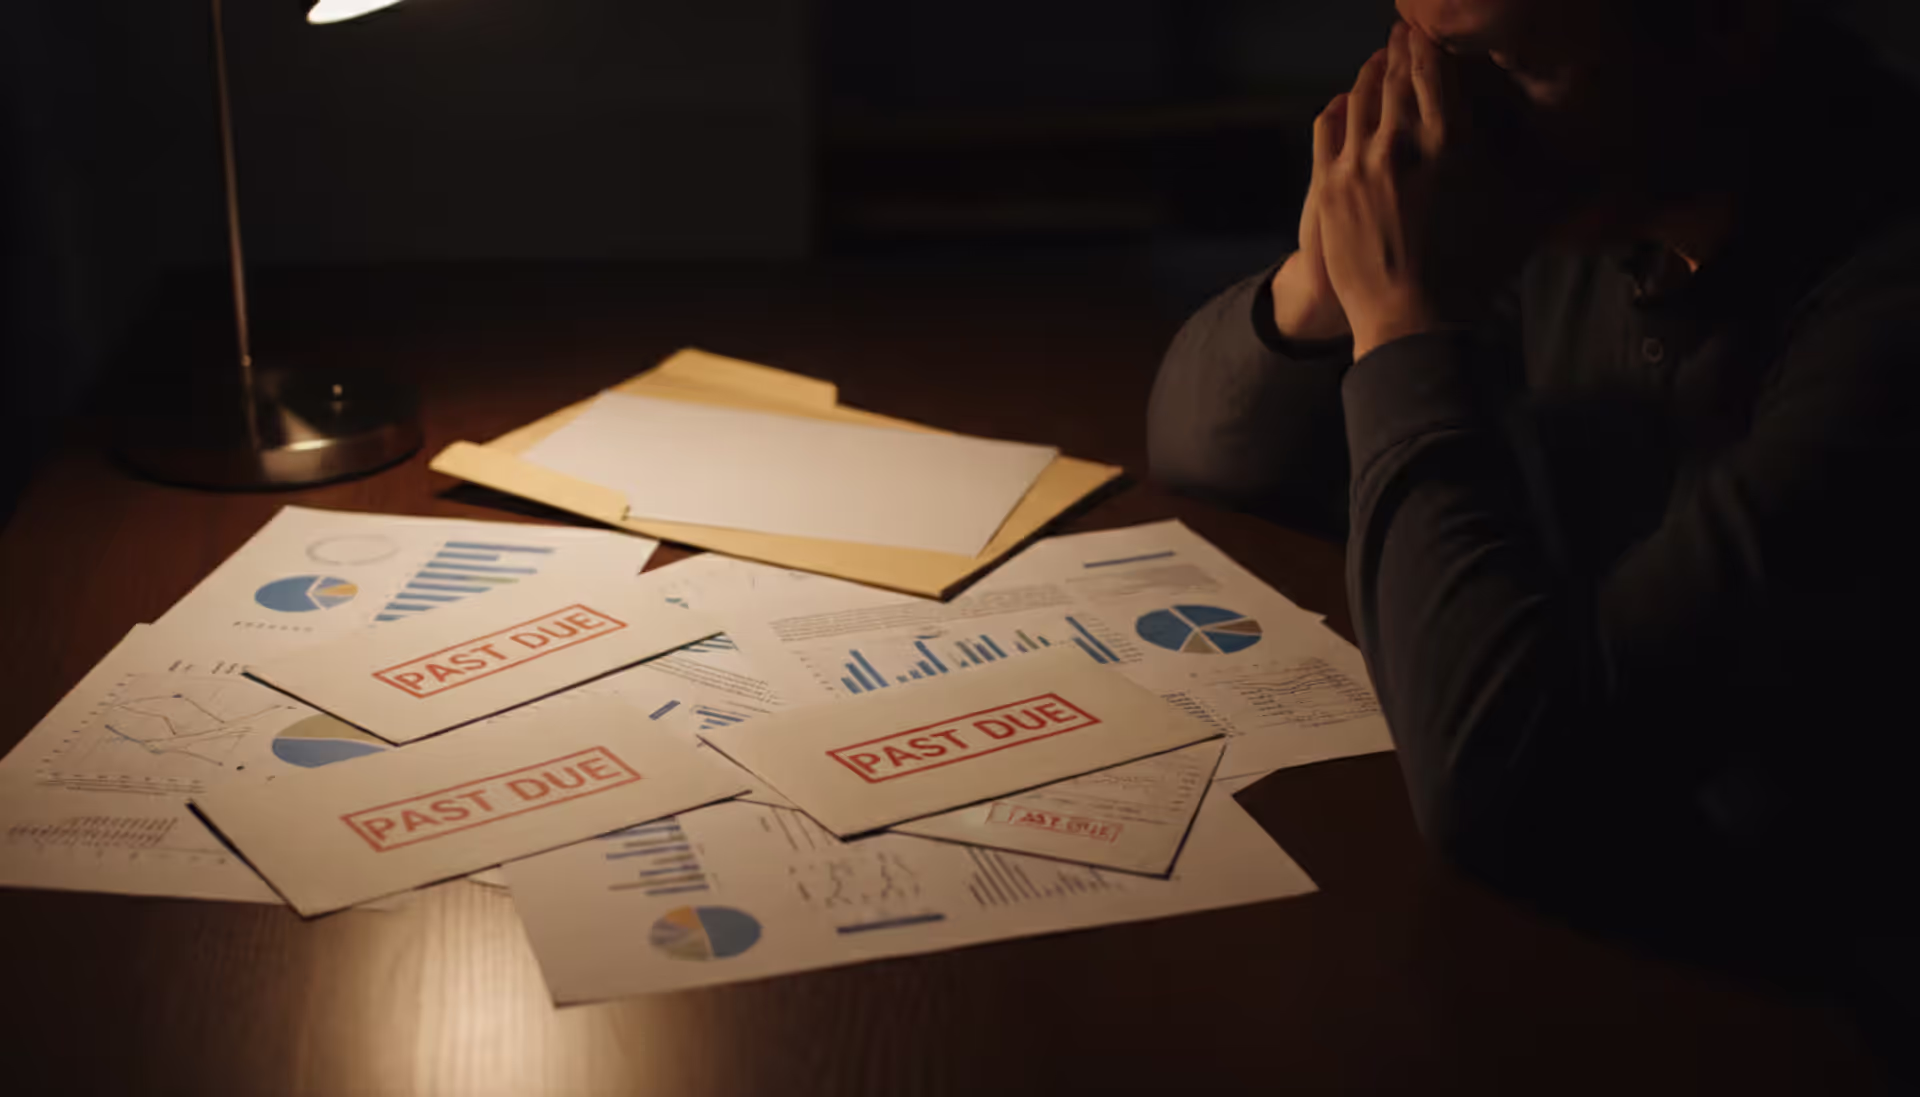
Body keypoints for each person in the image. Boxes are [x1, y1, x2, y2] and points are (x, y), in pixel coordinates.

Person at [1150, 0, 1918, 1079]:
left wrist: (1404, 328)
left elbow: (1500, 773)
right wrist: (1325, 284)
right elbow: (1205, 443)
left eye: (1507, 58)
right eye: (1425, 47)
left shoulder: (1879, 308)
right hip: (1608, 936)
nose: (1443, 116)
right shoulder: (1584, 198)